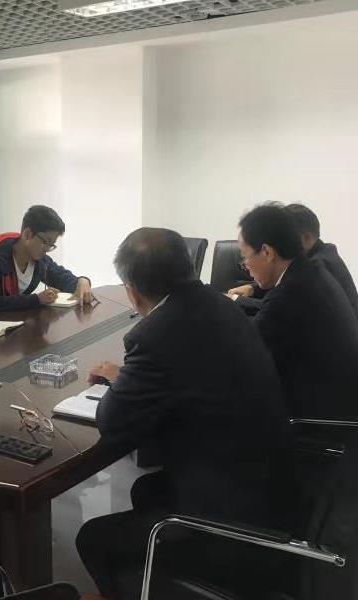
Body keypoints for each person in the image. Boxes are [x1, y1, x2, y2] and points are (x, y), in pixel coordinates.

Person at [76, 227, 289, 600]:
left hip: (228, 513)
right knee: (146, 489)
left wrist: (122, 381)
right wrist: (129, 377)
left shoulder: (154, 333)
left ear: (132, 291)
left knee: (93, 539)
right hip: (271, 484)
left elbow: (113, 423)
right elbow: (192, 372)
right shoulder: (222, 304)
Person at [237, 203, 358, 419]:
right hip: (339, 406)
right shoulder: (312, 272)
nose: (245, 266)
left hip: (319, 422)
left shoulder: (289, 294)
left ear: (267, 252)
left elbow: (242, 355)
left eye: (244, 257)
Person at [229, 203, 358, 317]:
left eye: (287, 236)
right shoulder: (323, 254)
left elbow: (282, 306)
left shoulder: (317, 267)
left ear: (306, 238)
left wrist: (236, 300)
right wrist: (253, 288)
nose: (281, 242)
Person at [0, 205, 93, 317]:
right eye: (45, 242)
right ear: (27, 234)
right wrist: (36, 299)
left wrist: (82, 281)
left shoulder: (40, 260)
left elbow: (62, 279)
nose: (47, 249)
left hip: (19, 321)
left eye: (51, 245)